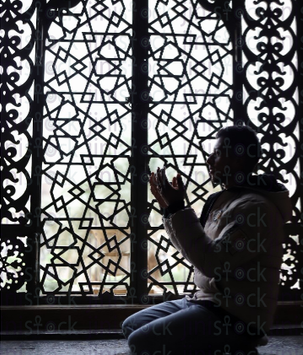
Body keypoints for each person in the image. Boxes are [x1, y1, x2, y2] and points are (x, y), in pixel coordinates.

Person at [122, 125, 292, 355]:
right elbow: (195, 250)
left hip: (236, 314)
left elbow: (212, 263)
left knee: (140, 342)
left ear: (240, 159)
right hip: (206, 301)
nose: (210, 159)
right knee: (131, 325)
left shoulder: (256, 209)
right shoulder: (223, 200)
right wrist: (170, 210)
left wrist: (178, 207)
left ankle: (238, 346)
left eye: (218, 153)